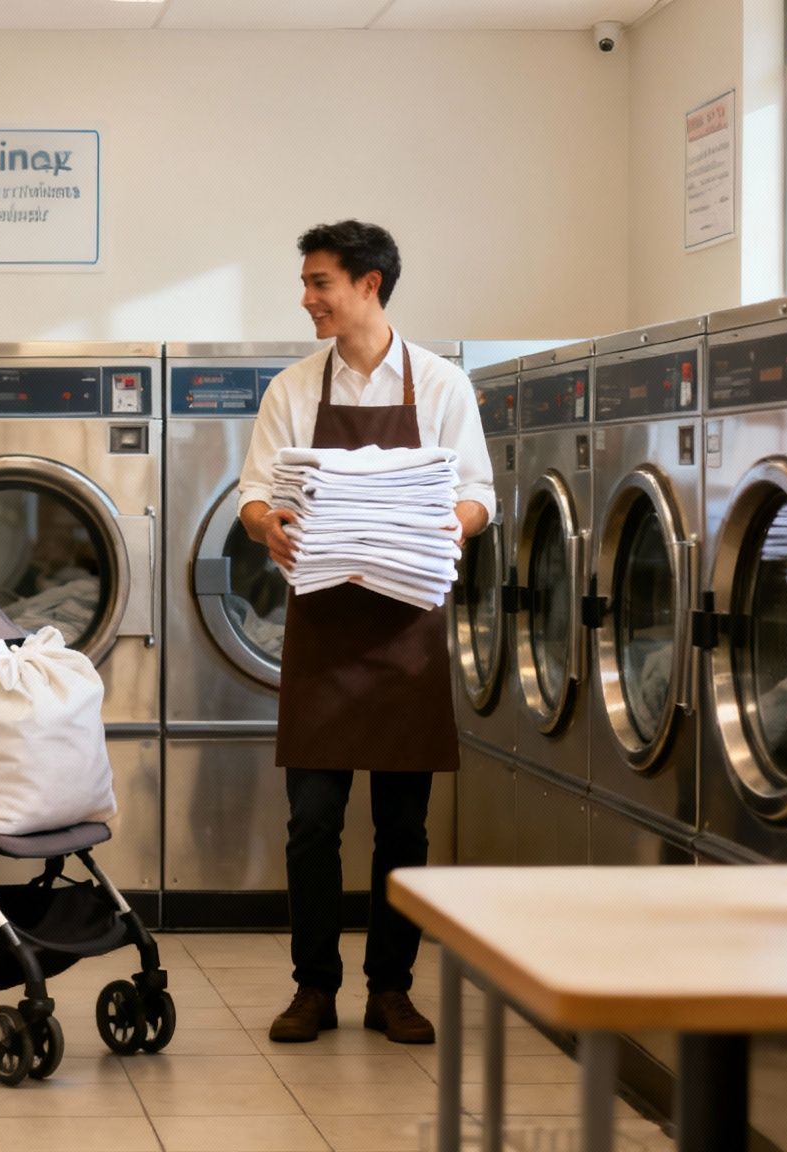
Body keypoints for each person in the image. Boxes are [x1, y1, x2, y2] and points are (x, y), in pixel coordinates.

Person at [238, 222, 494, 1045]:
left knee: (403, 827)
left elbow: (480, 494)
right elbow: (254, 493)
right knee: (312, 821)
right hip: (322, 627)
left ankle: (393, 988)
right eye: (308, 283)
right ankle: (314, 986)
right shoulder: (293, 390)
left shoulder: (443, 384)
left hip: (405, 628)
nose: (307, 297)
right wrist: (266, 524)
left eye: (321, 283)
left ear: (370, 284)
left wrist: (435, 527)